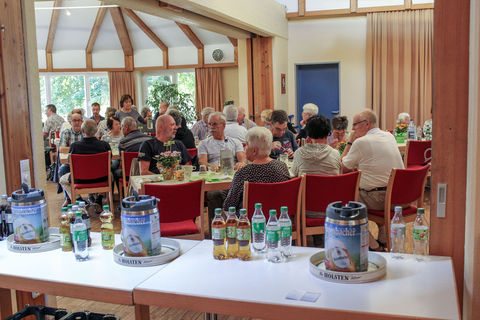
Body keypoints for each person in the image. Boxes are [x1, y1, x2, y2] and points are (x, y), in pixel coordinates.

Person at [341, 109, 404, 251]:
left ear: (366, 124)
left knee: (345, 206)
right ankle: (382, 241)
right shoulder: (389, 136)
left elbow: (343, 167)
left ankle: (373, 246)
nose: (353, 129)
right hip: (400, 197)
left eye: (355, 125)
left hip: (379, 199)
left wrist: (350, 142)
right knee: (374, 185)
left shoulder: (361, 142)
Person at [223, 127, 290, 212]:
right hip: (279, 219)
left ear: (254, 150)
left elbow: (229, 207)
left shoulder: (243, 173)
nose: (244, 148)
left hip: (251, 221)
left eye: (246, 145)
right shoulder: (282, 167)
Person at [59, 119, 110, 206]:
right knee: (110, 174)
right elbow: (109, 161)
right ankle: (99, 199)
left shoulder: (74, 146)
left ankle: (79, 200)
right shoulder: (105, 145)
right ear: (97, 130)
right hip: (101, 178)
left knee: (62, 180)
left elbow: (69, 162)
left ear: (82, 131)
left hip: (79, 179)